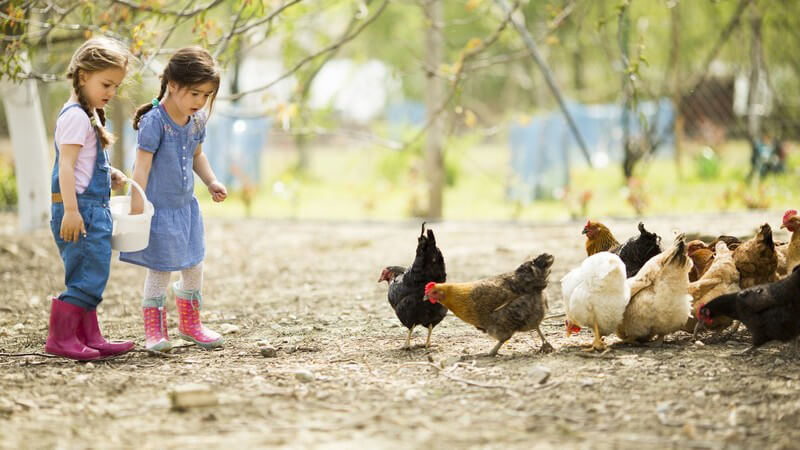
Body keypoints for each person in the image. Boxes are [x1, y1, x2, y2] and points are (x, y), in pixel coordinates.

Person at [121, 47, 227, 352]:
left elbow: (198, 156)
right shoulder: (155, 122)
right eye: (195, 93)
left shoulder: (196, 121)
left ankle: (190, 324)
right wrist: (136, 205)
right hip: (159, 210)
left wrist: (211, 181)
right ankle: (155, 330)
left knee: (194, 264)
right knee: (161, 268)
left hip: (186, 209)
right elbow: (140, 167)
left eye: (206, 95)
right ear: (173, 85)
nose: (200, 102)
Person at [46, 38, 134, 360]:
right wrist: (70, 210)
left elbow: (83, 164)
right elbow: (65, 168)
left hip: (91, 209)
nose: (111, 92)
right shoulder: (75, 117)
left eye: (115, 86)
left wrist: (108, 172)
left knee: (93, 273)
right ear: (83, 76)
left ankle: (88, 335)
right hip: (79, 209)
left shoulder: (90, 114)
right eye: (106, 84)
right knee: (85, 276)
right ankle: (61, 338)